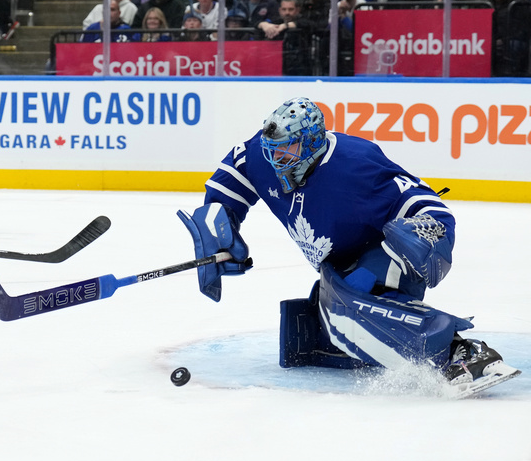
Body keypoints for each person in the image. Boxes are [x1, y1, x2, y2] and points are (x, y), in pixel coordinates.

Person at [185, 97, 520, 396]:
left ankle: (462, 354)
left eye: (288, 148)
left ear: (313, 141)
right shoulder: (261, 152)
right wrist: (218, 233)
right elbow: (227, 188)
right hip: (340, 262)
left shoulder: (357, 164)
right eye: (273, 147)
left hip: (387, 251)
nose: (276, 157)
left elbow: (432, 213)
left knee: (351, 308)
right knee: (336, 317)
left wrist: (410, 244)